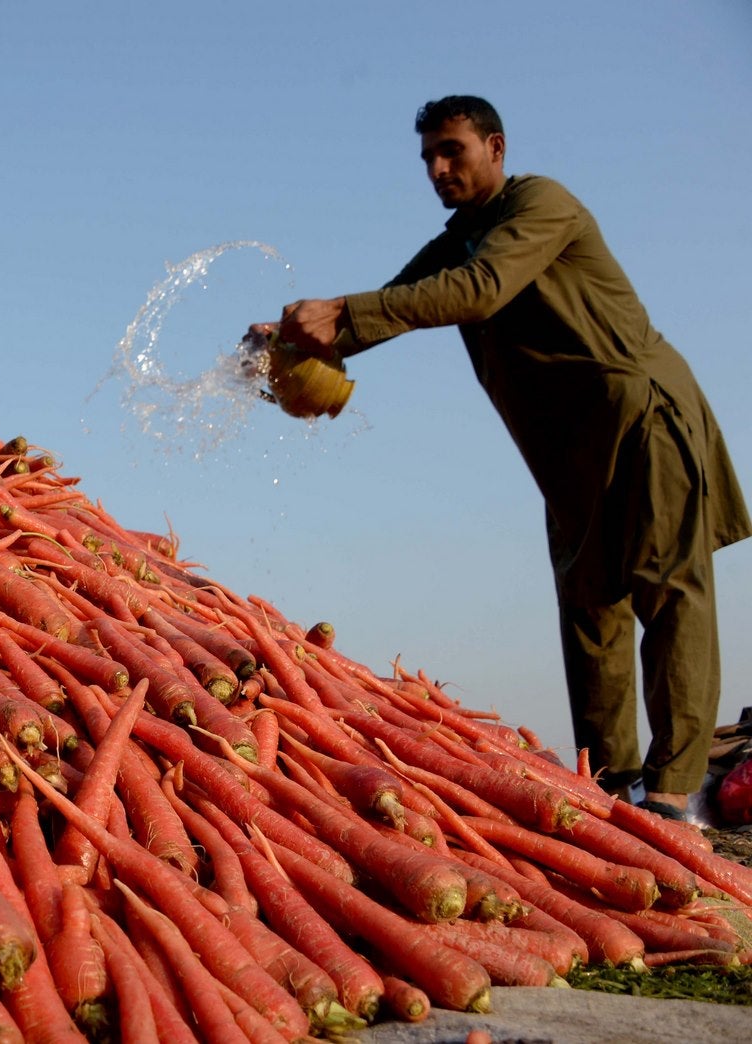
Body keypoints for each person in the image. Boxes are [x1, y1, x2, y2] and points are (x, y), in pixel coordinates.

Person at [258, 95, 750, 823]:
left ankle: (674, 791)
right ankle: (608, 787)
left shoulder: (540, 204)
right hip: (567, 454)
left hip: (639, 413)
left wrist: (343, 314)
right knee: (590, 613)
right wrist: (295, 344)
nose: (438, 167)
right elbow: (402, 301)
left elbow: (478, 292)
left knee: (669, 593)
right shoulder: (458, 240)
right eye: (428, 156)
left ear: (495, 146)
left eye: (452, 149)